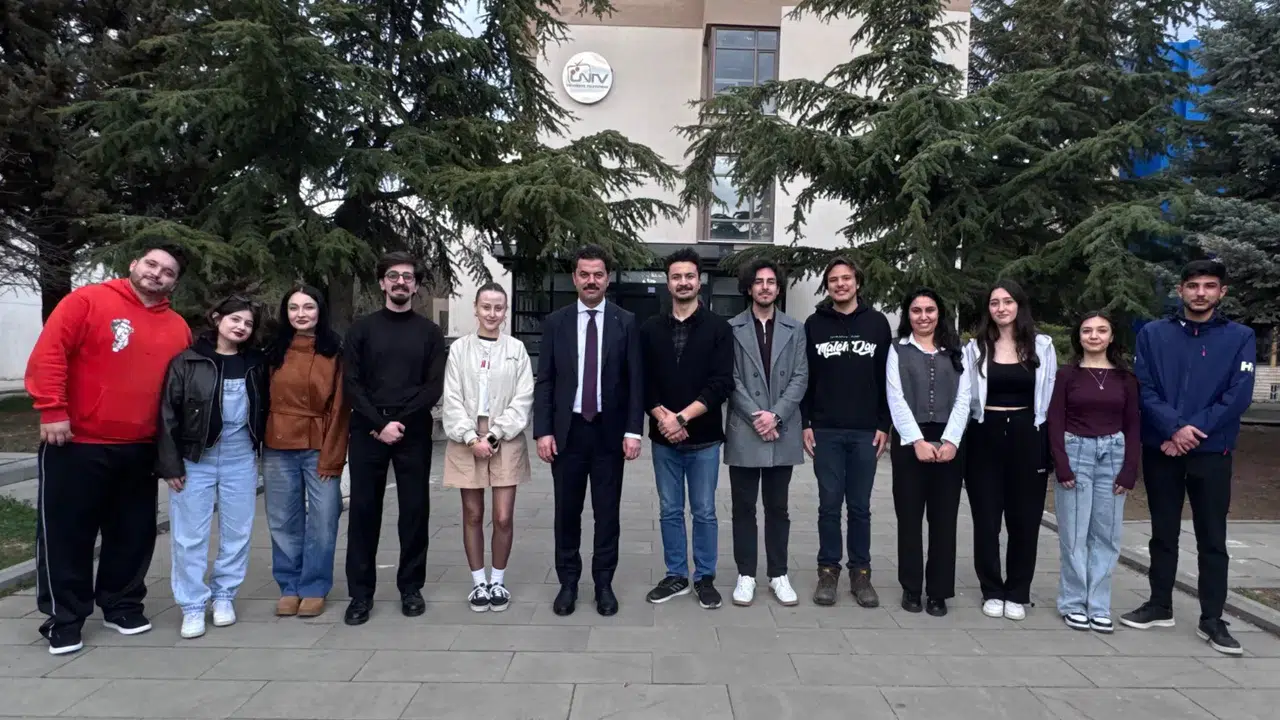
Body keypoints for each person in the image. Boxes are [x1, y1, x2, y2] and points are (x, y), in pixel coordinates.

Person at [25, 244, 192, 655]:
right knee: (67, 535)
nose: (157, 273)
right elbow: (50, 354)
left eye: (168, 271)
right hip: (76, 442)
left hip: (140, 448)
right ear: (134, 264)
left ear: (174, 283)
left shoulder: (177, 327)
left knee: (132, 534)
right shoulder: (87, 301)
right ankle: (65, 618)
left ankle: (122, 604)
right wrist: (52, 410)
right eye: (151, 264)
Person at [1121, 260, 1256, 655]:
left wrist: (1189, 432)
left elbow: (1238, 394)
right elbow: (1144, 388)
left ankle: (1212, 618)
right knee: (1163, 532)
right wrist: (1173, 428)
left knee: (1212, 537)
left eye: (1209, 286)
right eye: (1193, 285)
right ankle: (1159, 605)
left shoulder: (1240, 337)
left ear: (1222, 292)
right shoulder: (1153, 334)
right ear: (1179, 290)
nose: (1200, 293)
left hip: (1212, 452)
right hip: (1162, 450)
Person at [534, 245, 644, 617]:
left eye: (598, 274)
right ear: (575, 278)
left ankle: (603, 584)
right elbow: (546, 380)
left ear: (607, 279)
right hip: (568, 435)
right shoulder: (557, 322)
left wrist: (633, 431)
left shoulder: (625, 321)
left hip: (609, 435)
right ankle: (568, 583)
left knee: (607, 514)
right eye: (585, 274)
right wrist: (543, 431)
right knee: (567, 513)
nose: (591, 280)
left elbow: (635, 381)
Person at [342, 252, 447, 626]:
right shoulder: (361, 330)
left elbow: (433, 386)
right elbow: (351, 383)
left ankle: (411, 588)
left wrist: (398, 422)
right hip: (368, 431)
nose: (400, 282)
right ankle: (360, 595)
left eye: (407, 277)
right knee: (363, 513)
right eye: (393, 276)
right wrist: (378, 423)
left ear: (416, 286)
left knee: (415, 512)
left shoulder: (429, 333)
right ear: (382, 283)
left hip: (413, 431)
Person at [157, 295, 269, 640]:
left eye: (248, 323)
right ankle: (192, 605)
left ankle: (224, 596)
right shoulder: (188, 361)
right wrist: (171, 464)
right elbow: (168, 414)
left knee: (237, 533)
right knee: (189, 536)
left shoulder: (255, 363)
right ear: (217, 318)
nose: (241, 327)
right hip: (196, 460)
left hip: (241, 459)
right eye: (235, 319)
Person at [639, 249, 734, 609]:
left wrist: (681, 418)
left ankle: (704, 577)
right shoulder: (650, 329)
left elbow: (721, 383)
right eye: (676, 277)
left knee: (705, 511)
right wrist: (662, 418)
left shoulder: (719, 328)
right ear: (668, 283)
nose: (683, 282)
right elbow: (643, 381)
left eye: (689, 276)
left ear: (699, 281)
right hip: (664, 441)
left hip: (705, 440)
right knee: (669, 510)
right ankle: (676, 575)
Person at [962, 280, 1057, 622]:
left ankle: (1017, 591)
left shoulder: (1042, 346)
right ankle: (991, 589)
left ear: (1019, 305)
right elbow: (965, 398)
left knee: (1024, 520)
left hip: (1027, 435)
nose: (1001, 308)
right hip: (984, 435)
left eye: (1007, 301)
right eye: (994, 303)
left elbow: (1049, 396)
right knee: (986, 520)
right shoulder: (975, 348)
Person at [801, 257, 892, 608]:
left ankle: (860, 574)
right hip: (825, 430)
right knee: (828, 504)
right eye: (834, 279)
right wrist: (806, 423)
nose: (840, 284)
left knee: (859, 506)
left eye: (846, 278)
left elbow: (887, 379)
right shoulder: (814, 325)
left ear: (857, 283)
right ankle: (828, 572)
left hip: (866, 431)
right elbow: (806, 377)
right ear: (827, 286)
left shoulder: (877, 324)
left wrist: (884, 424)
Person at [441, 282, 534, 613]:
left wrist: (494, 435)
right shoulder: (459, 350)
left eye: (498, 308)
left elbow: (523, 397)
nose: (492, 313)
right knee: (473, 513)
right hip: (466, 438)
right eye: (486, 307)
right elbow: (451, 397)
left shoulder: (516, 349)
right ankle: (479, 583)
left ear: (505, 312)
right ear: (476, 309)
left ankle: (498, 581)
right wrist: (470, 437)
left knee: (503, 516)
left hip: (504, 439)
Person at [1047, 312, 1140, 634]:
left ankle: (1098, 605)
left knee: (1106, 536)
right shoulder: (1067, 375)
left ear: (1111, 337)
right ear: (1079, 336)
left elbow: (1133, 424)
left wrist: (1129, 469)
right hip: (1076, 453)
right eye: (1087, 331)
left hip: (1113, 455)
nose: (1094, 336)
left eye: (1101, 330)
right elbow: (1055, 420)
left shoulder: (1126, 379)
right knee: (1074, 535)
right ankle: (1073, 603)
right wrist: (1061, 463)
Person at [262, 285, 349, 619]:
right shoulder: (273, 350)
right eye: (294, 307)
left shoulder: (334, 351)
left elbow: (340, 408)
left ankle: (314, 585)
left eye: (308, 307)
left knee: (324, 518)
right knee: (283, 519)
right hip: (277, 444)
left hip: (319, 443)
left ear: (320, 311)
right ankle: (289, 586)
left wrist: (333, 455)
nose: (301, 314)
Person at [725, 259, 808, 607]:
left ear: (778, 288)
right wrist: (757, 416)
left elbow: (800, 376)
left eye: (771, 282)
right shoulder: (731, 328)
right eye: (758, 282)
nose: (764, 287)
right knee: (743, 507)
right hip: (745, 429)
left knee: (778, 508)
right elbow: (730, 378)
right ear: (749, 288)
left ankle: (778, 574)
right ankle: (746, 574)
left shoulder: (796, 329)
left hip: (782, 429)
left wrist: (775, 416)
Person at [885, 289, 971, 617]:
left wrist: (951, 441)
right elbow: (895, 397)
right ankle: (911, 587)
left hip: (949, 440)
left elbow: (965, 398)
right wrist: (916, 441)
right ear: (908, 315)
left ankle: (938, 591)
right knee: (909, 518)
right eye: (916, 310)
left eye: (930, 310)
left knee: (944, 520)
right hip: (911, 441)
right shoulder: (897, 349)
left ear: (939, 313)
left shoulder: (957, 350)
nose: (923, 316)